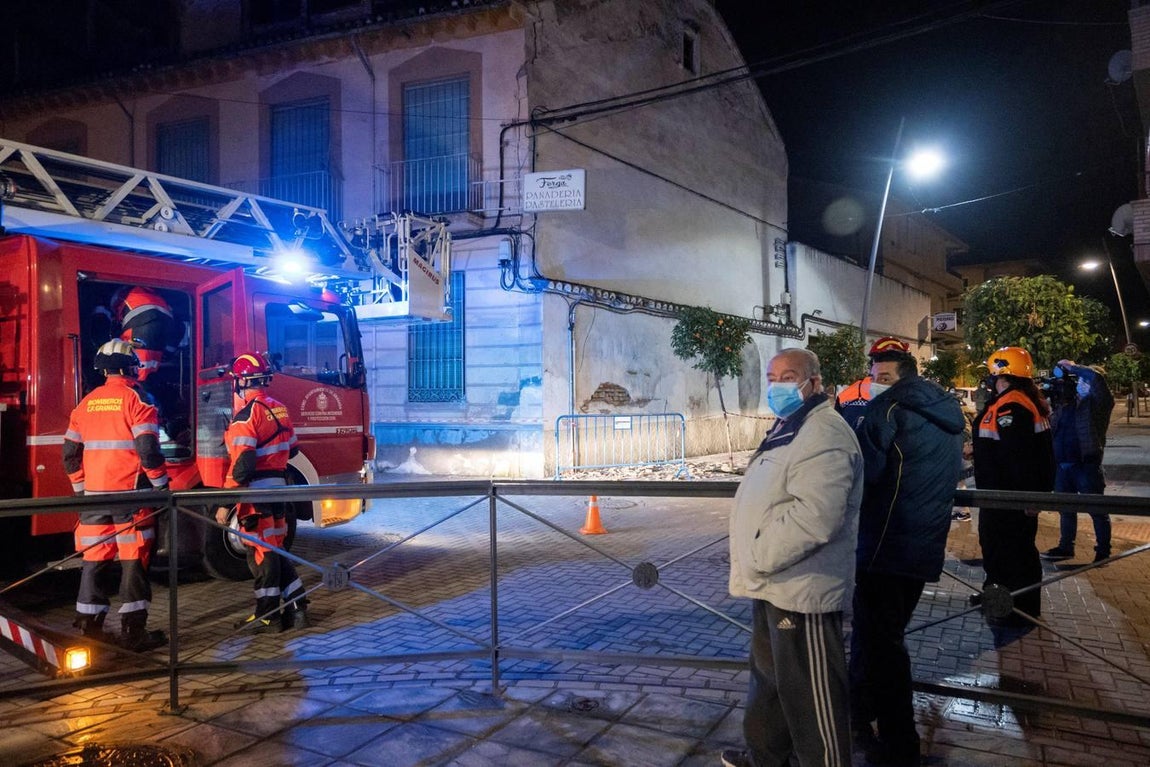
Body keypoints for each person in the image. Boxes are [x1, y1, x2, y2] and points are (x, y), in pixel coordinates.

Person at [723, 348, 862, 767]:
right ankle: (765, 758)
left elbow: (816, 516)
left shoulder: (825, 432)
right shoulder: (792, 427)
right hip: (773, 584)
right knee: (770, 684)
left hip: (803, 589)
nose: (777, 385)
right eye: (772, 376)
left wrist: (760, 552)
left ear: (814, 382)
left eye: (789, 376)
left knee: (812, 697)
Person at [850, 344, 965, 766]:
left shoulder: (889, 410)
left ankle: (900, 744)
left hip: (885, 542)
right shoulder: (947, 410)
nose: (877, 381)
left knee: (884, 648)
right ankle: (857, 714)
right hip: (923, 542)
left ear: (899, 376)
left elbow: (863, 473)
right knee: (875, 636)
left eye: (882, 375)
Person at [63, 339, 169, 650]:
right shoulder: (138, 400)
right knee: (133, 560)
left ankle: (89, 627)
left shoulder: (85, 403)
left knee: (94, 558)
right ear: (129, 367)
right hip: (131, 496)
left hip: (95, 497)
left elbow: (69, 453)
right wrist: (161, 485)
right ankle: (133, 633)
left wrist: (82, 489)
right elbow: (148, 450)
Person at [214, 351, 310, 633]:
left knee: (262, 555)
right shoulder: (279, 408)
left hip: (257, 496)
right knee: (275, 549)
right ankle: (298, 605)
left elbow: (242, 467)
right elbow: (293, 449)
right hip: (279, 491)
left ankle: (268, 617)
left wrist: (224, 503)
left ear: (240, 383)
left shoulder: (245, 417)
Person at [971, 346, 1055, 626]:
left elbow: (1018, 457)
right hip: (1004, 496)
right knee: (1004, 550)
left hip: (1008, 498)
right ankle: (998, 598)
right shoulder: (1018, 400)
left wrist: (1027, 499)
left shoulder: (1011, 406)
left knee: (1010, 552)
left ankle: (1018, 609)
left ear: (1001, 374)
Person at [1041, 360, 1115, 564]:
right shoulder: (1067, 403)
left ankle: (1103, 551)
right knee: (1066, 510)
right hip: (1063, 465)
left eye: (1084, 380)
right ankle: (1066, 547)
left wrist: (1073, 368)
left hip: (1086, 465)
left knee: (1096, 510)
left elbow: (1097, 379)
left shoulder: (1098, 404)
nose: (1080, 383)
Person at [836, 336, 912, 430]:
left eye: (884, 379)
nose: (874, 385)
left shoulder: (920, 412)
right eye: (872, 378)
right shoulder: (848, 397)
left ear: (907, 381)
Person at [112, 286, 175, 383]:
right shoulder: (150, 294)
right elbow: (179, 328)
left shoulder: (123, 299)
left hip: (141, 329)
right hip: (164, 320)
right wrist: (169, 352)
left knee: (137, 378)